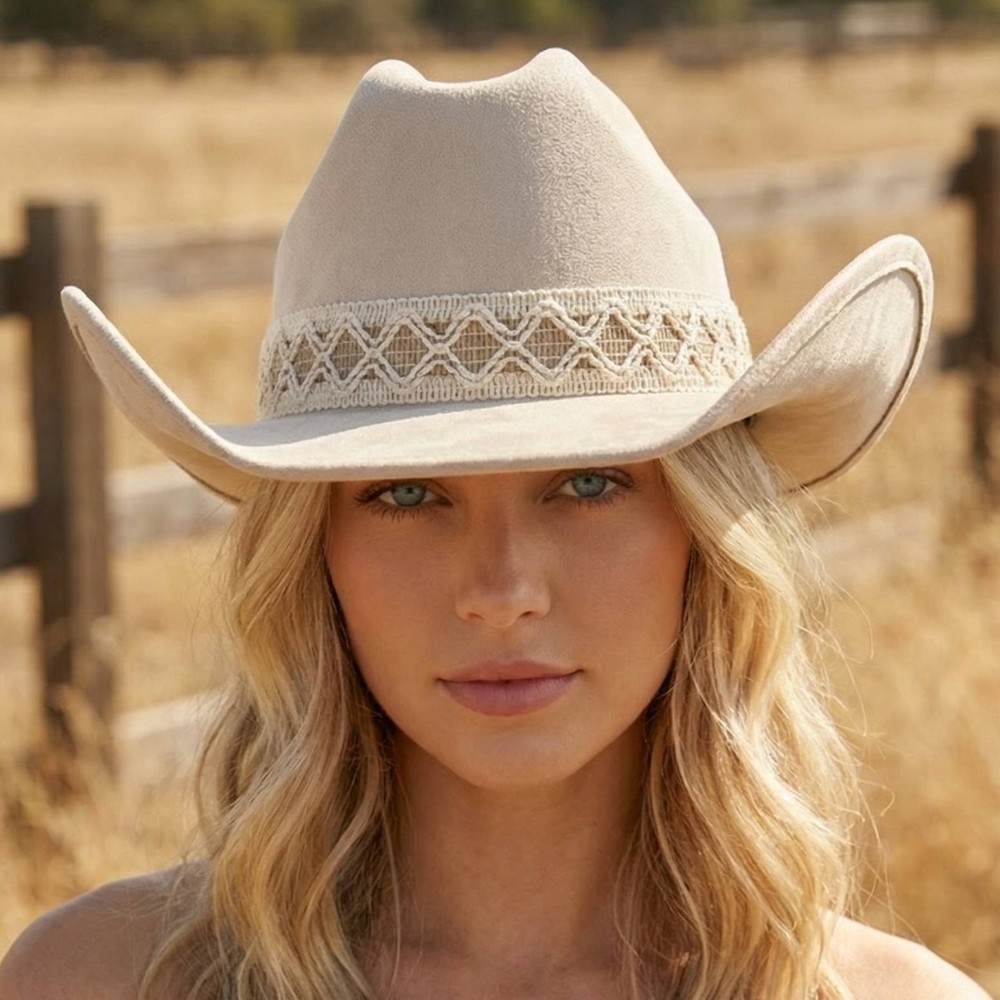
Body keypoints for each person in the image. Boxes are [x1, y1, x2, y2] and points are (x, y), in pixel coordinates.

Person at [0, 49, 990, 1000]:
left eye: (590, 484)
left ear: (703, 532)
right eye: (404, 493)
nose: (503, 590)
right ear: (314, 553)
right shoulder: (93, 981)